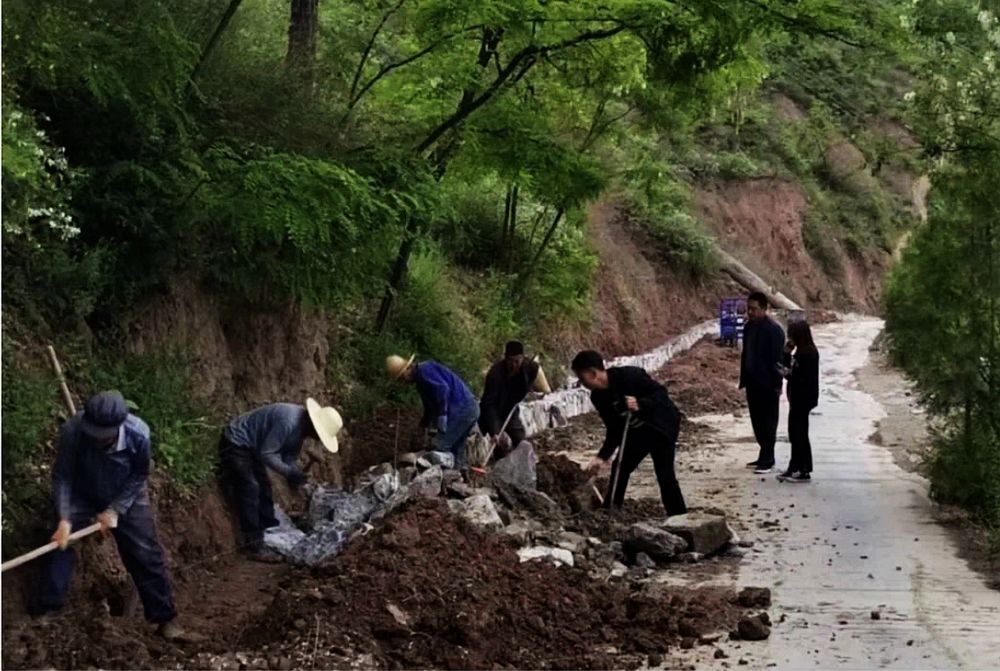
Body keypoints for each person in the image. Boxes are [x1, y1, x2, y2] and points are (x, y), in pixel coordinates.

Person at [39, 391, 187, 639]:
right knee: (59, 544)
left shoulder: (138, 434)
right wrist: (64, 518)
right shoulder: (73, 430)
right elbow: (63, 476)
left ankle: (165, 619)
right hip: (83, 492)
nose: (97, 439)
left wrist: (115, 509)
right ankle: (48, 611)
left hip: (125, 493)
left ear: (118, 426)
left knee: (145, 553)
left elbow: (139, 475)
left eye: (103, 435)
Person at [219, 398, 342, 559]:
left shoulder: (301, 429)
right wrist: (289, 473)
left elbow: (288, 458)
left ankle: (271, 529)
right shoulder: (288, 422)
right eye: (319, 435)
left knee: (265, 488)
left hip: (253, 448)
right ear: (314, 426)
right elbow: (267, 454)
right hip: (236, 442)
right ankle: (253, 544)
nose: (317, 439)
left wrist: (296, 474)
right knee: (251, 487)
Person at [573, 350, 687, 517]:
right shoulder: (598, 397)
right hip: (637, 432)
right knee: (621, 467)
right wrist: (602, 456)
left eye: (581, 377)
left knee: (664, 474)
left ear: (592, 373)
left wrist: (640, 403)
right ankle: (611, 511)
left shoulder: (629, 376)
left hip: (660, 427)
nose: (581, 382)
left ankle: (679, 516)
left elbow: (661, 394)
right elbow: (614, 428)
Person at [386, 354, 479, 469]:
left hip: (464, 409)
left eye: (401, 378)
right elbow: (429, 408)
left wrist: (442, 414)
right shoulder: (421, 382)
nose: (403, 382)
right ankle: (457, 474)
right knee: (456, 449)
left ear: (407, 369)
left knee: (439, 447)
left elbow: (443, 389)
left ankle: (438, 475)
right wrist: (422, 425)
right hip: (469, 408)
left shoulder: (424, 370)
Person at [479, 341, 551, 459]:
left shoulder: (530, 368)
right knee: (499, 442)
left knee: (520, 440)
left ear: (522, 358)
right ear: (505, 359)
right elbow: (488, 404)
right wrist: (495, 430)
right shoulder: (495, 374)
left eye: (517, 361)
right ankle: (500, 464)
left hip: (511, 408)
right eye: (510, 361)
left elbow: (539, 384)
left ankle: (526, 463)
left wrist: (529, 390)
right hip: (494, 410)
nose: (514, 365)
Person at [739, 291, 786, 474]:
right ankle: (764, 454)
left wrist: (777, 384)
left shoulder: (774, 330)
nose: (750, 312)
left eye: (754, 309)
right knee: (757, 421)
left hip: (768, 383)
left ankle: (768, 458)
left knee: (768, 421)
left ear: (765, 309)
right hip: (752, 382)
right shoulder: (749, 327)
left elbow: (778, 361)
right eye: (748, 309)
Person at [778, 320, 819, 483]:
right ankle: (794, 466)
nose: (790, 339)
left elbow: (799, 376)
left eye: (792, 335)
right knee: (795, 433)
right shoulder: (803, 351)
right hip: (799, 398)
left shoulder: (807, 353)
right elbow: (792, 368)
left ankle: (804, 469)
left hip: (803, 398)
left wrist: (786, 373)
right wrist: (786, 353)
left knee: (799, 434)